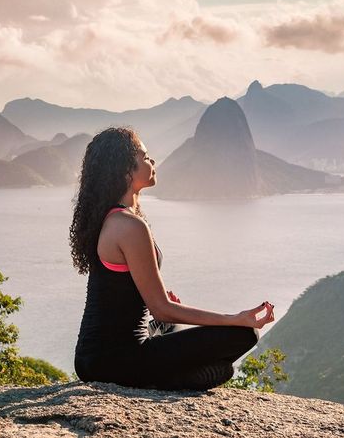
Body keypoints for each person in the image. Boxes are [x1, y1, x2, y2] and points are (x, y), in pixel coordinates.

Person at [70, 127, 275, 390]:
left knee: (175, 331)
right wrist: (236, 317)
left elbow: (125, 294)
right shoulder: (129, 226)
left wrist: (164, 312)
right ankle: (175, 379)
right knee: (245, 334)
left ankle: (175, 373)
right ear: (126, 171)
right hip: (115, 361)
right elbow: (161, 308)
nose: (152, 161)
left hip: (95, 358)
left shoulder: (112, 218)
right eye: (145, 157)